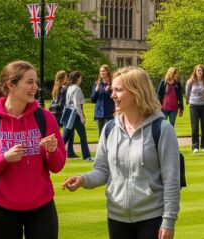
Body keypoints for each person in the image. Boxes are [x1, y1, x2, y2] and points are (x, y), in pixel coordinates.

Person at [62, 66, 180, 239]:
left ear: (137, 91)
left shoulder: (162, 129)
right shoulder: (110, 128)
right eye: (113, 90)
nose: (112, 95)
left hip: (151, 218)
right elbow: (102, 170)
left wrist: (168, 220)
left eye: (118, 90)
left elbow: (171, 180)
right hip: (116, 218)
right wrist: (83, 179)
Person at [0, 60, 66, 239]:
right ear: (11, 85)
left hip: (42, 208)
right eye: (29, 82)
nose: (35, 87)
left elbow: (57, 166)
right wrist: (3, 158)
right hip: (2, 209)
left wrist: (53, 151)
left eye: (35, 82)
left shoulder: (45, 117)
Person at [62, 70, 92, 160]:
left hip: (69, 114)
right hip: (76, 115)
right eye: (80, 77)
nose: (81, 79)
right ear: (77, 78)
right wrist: (82, 118)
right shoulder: (77, 89)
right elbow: (77, 105)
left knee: (66, 136)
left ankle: (56, 152)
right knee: (82, 136)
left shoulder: (69, 88)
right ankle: (87, 156)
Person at [186, 64, 204, 152]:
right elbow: (187, 93)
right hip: (194, 105)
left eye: (201, 70)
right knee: (194, 127)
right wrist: (188, 101)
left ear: (203, 72)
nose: (200, 72)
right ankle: (195, 147)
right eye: (198, 70)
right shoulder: (190, 81)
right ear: (195, 71)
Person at [92, 64, 115, 136]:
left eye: (103, 71)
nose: (102, 73)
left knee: (110, 132)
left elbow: (115, 98)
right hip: (99, 112)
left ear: (107, 72)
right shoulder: (97, 84)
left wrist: (109, 91)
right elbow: (93, 100)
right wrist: (96, 91)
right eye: (101, 71)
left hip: (109, 112)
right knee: (101, 133)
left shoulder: (112, 83)